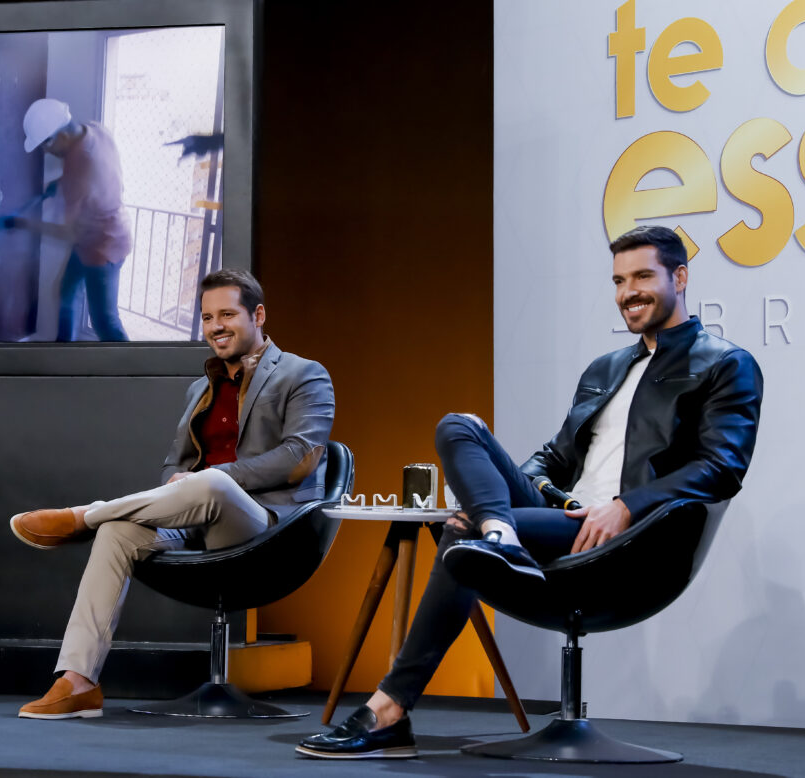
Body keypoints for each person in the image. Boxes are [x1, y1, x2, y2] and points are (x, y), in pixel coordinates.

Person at [298, 225, 763, 759]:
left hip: (628, 535)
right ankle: (499, 531)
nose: (627, 292)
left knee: (460, 540)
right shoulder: (607, 367)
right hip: (561, 513)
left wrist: (626, 506)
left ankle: (388, 709)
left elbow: (721, 467)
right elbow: (553, 458)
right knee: (459, 426)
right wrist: (496, 508)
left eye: (641, 277)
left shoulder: (726, 364)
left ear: (679, 278)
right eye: (618, 280)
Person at [10, 268, 335, 719]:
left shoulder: (304, 374)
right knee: (118, 533)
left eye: (226, 314)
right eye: (206, 317)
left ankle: (84, 517)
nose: (215, 326)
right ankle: (79, 682)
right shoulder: (201, 388)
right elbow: (175, 465)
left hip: (267, 529)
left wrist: (210, 478)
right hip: (200, 521)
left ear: (258, 315)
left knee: (215, 480)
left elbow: (300, 457)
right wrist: (178, 484)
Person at [8, 98, 132, 342]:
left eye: (45, 145)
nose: (45, 151)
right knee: (66, 293)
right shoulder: (95, 129)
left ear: (60, 137)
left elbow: (69, 233)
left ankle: (138, 375)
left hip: (102, 247)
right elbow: (97, 175)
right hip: (100, 234)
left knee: (105, 321)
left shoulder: (79, 167)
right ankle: (65, 351)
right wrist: (58, 184)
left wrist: (24, 224)